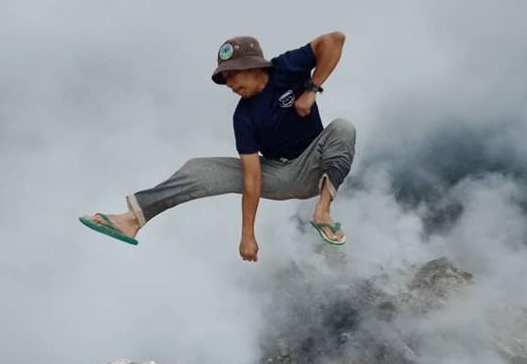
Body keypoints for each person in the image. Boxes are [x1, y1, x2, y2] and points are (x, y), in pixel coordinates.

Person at [80, 32, 356, 262]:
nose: (230, 84)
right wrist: (247, 234)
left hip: (315, 165)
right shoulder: (244, 116)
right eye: (224, 79)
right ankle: (133, 220)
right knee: (198, 168)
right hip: (280, 175)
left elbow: (334, 40)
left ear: (254, 66)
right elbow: (251, 176)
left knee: (343, 127)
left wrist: (311, 90)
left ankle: (323, 210)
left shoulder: (287, 67)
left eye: (233, 75)